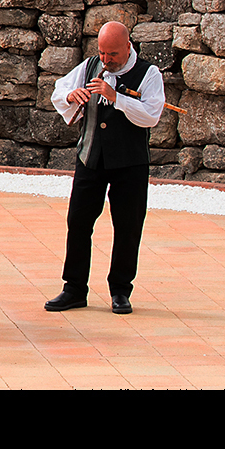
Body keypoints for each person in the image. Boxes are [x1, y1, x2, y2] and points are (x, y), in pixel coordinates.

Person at [44, 21, 165, 315]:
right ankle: (74, 289)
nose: (106, 60)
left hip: (130, 163)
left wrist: (116, 98)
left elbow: (151, 115)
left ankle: (120, 291)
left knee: (128, 226)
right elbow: (60, 90)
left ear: (128, 47)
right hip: (91, 157)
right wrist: (71, 96)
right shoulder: (89, 66)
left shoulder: (149, 73)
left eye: (113, 54)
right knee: (78, 222)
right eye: (102, 53)